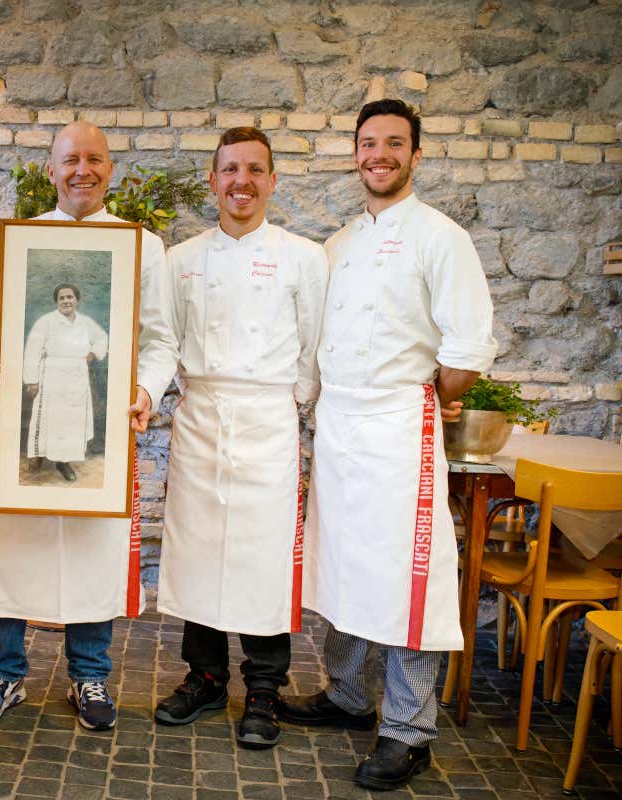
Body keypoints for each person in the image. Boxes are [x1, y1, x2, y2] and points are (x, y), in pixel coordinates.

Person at [281, 99, 497, 791]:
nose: (380, 154)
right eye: (369, 143)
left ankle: (408, 729)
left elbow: (468, 347)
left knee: (409, 575)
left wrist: (430, 392)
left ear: (416, 155)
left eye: (394, 144)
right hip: (340, 424)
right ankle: (347, 696)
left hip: (403, 426)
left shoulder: (442, 237)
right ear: (355, 153)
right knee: (342, 560)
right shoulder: (338, 244)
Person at [0, 121, 175, 730]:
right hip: (25, 420)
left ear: (111, 170)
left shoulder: (142, 246)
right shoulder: (20, 241)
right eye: (70, 160)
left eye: (94, 160)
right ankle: (4, 671)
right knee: (19, 547)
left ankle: (90, 676)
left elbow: (159, 339)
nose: (82, 170)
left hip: (101, 427)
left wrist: (144, 389)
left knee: (91, 547)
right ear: (50, 171)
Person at [134, 127, 328, 748]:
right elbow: (163, 340)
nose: (241, 181)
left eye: (254, 170)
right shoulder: (181, 259)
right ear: (213, 180)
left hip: (268, 418)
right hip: (201, 413)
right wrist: (146, 392)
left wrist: (291, 402)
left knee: (262, 557)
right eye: (229, 170)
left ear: (273, 180)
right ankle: (205, 677)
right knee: (196, 552)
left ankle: (265, 689)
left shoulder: (304, 257)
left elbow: (315, 345)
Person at [22, 283, 108, 482]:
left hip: (77, 378)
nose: (66, 301)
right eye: (61, 298)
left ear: (77, 300)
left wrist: (93, 353)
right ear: (56, 302)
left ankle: (64, 462)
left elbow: (102, 338)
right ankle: (38, 455)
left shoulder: (86, 323)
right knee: (47, 419)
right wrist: (32, 380)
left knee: (71, 422)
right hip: (51, 376)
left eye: (70, 297)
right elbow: (32, 349)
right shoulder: (46, 322)